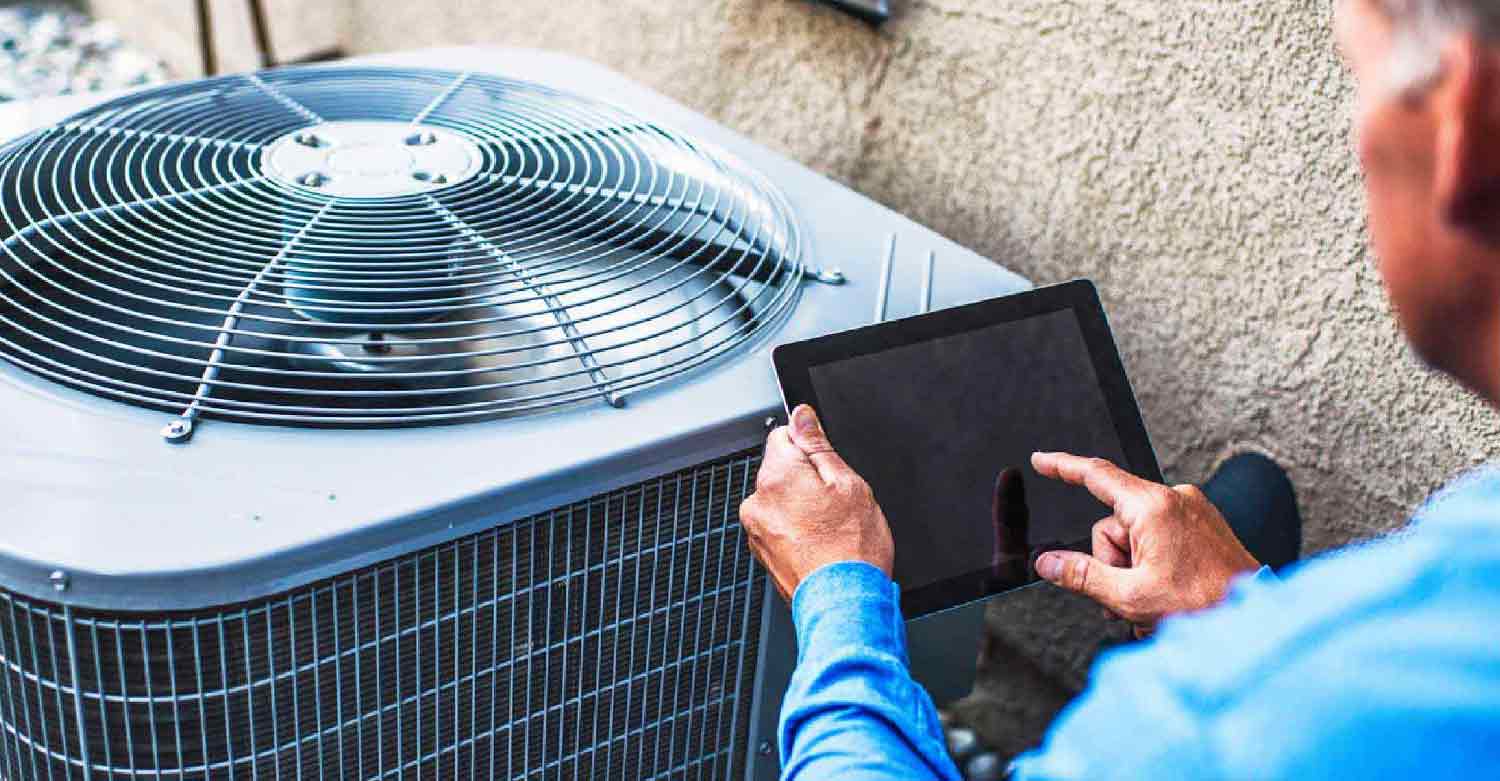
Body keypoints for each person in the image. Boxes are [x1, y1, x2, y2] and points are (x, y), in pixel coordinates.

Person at [736, 0, 1500, 777]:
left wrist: (839, 590)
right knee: (1254, 501)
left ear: (1460, 128)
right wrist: (1239, 599)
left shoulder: (1206, 724)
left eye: (1359, 80)